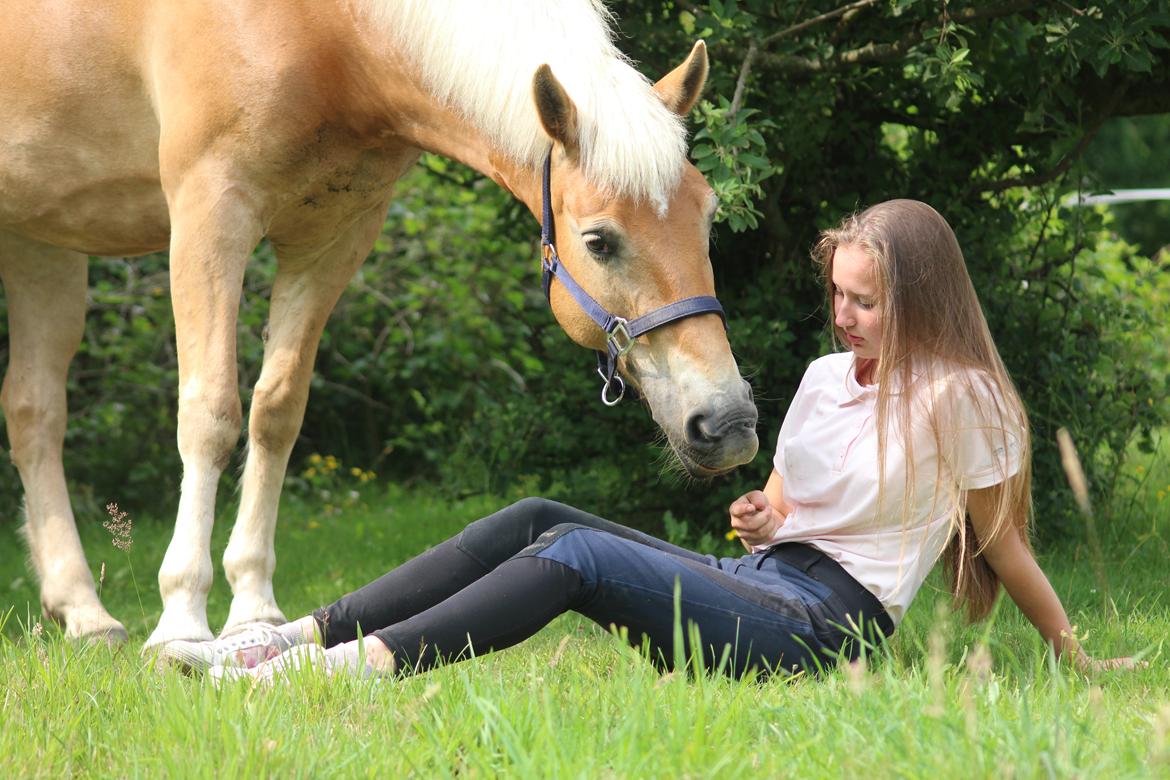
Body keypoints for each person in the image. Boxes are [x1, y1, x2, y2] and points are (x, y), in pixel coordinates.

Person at [161, 199, 1139, 683]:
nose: (842, 316)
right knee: (543, 518)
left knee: (576, 555)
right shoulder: (822, 379)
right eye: (835, 293)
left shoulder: (964, 398)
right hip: (763, 580)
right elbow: (793, 513)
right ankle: (285, 637)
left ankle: (333, 675)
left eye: (865, 301)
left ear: (918, 299)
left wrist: (1077, 660)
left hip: (822, 631)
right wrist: (765, 517)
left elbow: (1003, 544)